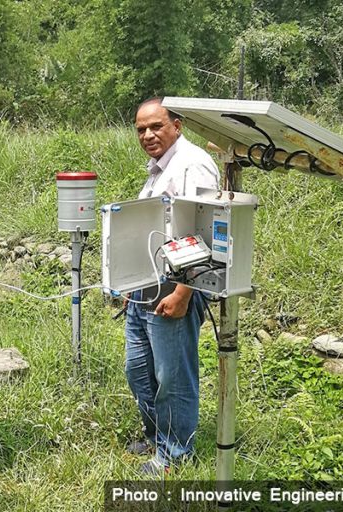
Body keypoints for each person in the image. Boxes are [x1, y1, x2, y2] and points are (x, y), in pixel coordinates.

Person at [125, 97, 219, 475]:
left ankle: (174, 456)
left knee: (172, 374)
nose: (148, 134)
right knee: (139, 368)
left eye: (156, 126)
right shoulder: (159, 168)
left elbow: (206, 229)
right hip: (145, 284)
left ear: (176, 126)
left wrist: (184, 291)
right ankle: (156, 435)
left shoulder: (192, 164)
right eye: (141, 130)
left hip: (176, 284)